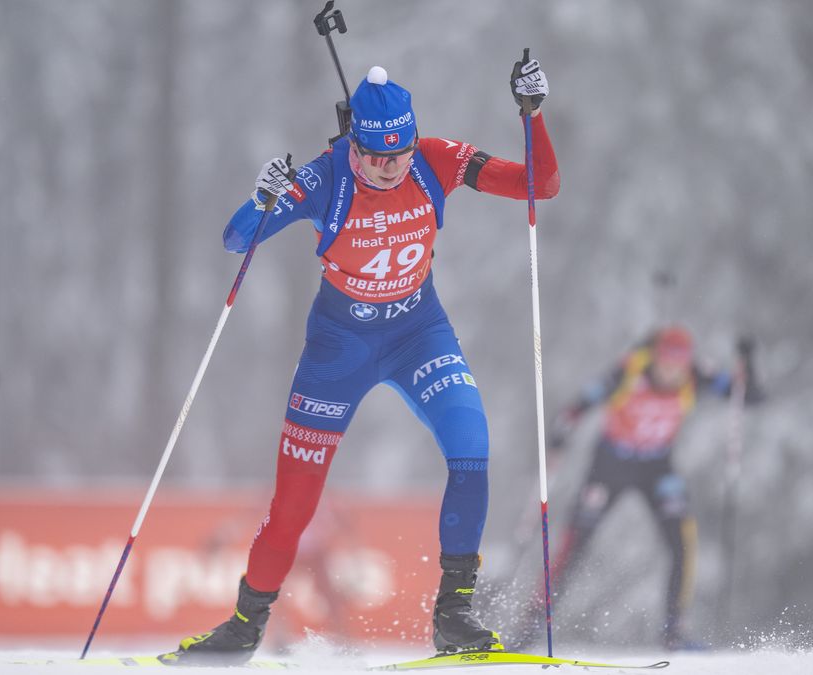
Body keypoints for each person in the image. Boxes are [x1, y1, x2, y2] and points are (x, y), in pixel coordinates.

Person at [161, 55, 558, 666]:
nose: (388, 167)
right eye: (375, 156)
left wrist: (532, 115)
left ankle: (454, 615)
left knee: (471, 444)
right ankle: (244, 625)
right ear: (354, 145)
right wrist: (263, 197)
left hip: (419, 332)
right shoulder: (323, 181)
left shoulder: (436, 160)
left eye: (397, 156)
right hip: (338, 349)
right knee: (293, 505)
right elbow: (236, 239)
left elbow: (540, 183)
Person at [530, 326, 761, 650]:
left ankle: (673, 631)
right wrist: (560, 434)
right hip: (610, 464)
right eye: (665, 364)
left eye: (678, 367)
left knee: (683, 540)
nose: (671, 373)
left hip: (656, 468)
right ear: (654, 358)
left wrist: (747, 362)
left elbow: (746, 395)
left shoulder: (697, 374)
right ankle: (533, 624)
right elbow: (579, 404)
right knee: (575, 542)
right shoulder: (630, 369)